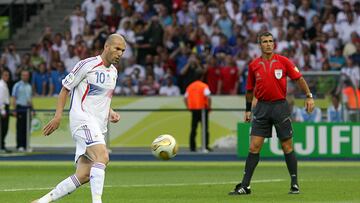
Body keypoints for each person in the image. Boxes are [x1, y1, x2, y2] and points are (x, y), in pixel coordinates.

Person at [32, 34, 125, 203]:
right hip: (82, 120)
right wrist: (58, 116)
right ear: (106, 47)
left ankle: (41, 201)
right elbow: (65, 90)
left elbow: (101, 98)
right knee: (103, 156)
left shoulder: (113, 72)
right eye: (117, 48)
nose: (120, 53)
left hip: (97, 126)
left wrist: (111, 112)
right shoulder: (86, 65)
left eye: (123, 50)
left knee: (84, 175)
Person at [229, 32, 315, 195]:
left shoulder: (283, 61)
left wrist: (309, 96)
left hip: (280, 107)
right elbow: (249, 90)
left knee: (286, 146)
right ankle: (245, 186)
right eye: (265, 42)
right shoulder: (254, 65)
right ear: (259, 45)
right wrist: (248, 109)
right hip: (261, 108)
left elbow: (299, 78)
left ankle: (294, 183)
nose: (268, 44)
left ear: (274, 44)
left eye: (270, 41)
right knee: (254, 147)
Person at [184, 70, 211, 152]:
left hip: (194, 110)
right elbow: (208, 97)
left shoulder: (190, 86)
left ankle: (192, 147)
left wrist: (188, 107)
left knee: (193, 129)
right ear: (202, 77)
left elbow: (185, 98)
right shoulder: (204, 86)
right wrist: (209, 107)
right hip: (203, 110)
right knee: (205, 129)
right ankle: (205, 146)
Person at [11, 70, 33, 152]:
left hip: (27, 109)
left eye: (26, 75)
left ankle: (26, 145)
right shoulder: (17, 85)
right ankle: (19, 145)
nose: (25, 76)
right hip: (20, 108)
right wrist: (14, 109)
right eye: (23, 75)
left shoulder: (29, 86)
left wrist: (32, 109)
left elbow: (30, 99)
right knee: (20, 128)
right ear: (21, 76)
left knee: (27, 128)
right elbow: (14, 97)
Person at [0, 69, 11, 152]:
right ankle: (1, 146)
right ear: (2, 75)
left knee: (4, 128)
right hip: (2, 108)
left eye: (8, 75)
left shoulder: (4, 84)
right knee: (3, 128)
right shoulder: (1, 85)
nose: (7, 77)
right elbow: (1, 99)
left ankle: (2, 145)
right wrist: (3, 111)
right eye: (5, 75)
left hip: (4, 107)